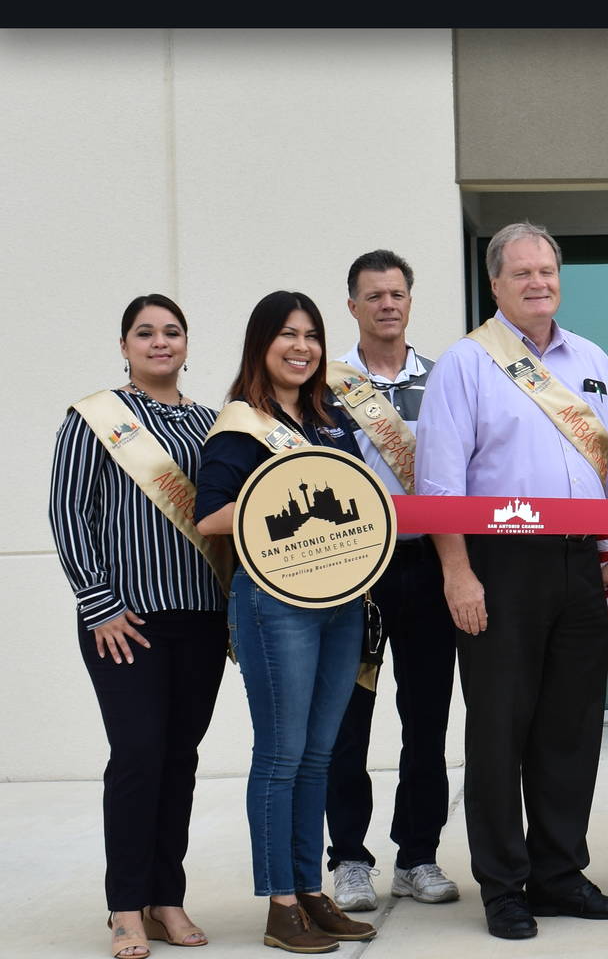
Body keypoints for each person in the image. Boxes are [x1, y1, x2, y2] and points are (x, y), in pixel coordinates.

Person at [417, 223, 608, 940]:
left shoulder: (594, 359)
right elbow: (439, 484)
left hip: (582, 563)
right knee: (500, 729)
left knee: (571, 728)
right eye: (523, 273)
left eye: (548, 269)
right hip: (499, 565)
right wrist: (458, 573)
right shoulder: (466, 363)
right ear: (495, 284)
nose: (539, 282)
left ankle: (559, 873)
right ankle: (504, 884)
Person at [194, 291, 377, 952]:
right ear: (261, 345)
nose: (302, 347)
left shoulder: (331, 419)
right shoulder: (242, 425)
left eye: (312, 336)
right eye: (287, 336)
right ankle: (279, 904)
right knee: (280, 756)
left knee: (318, 756)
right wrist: (276, 492)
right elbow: (209, 514)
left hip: (339, 604)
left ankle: (308, 890)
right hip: (276, 608)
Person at [52, 296, 227, 959]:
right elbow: (69, 514)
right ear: (125, 345)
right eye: (146, 333)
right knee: (138, 755)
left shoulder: (213, 423)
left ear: (187, 343)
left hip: (203, 617)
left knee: (179, 760)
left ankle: (166, 900)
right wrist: (98, 604)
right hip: (125, 619)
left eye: (172, 331)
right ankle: (125, 907)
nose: (160, 342)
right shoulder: (94, 418)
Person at [322, 250, 460, 911]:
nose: (386, 304)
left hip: (429, 566)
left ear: (409, 301)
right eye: (372, 295)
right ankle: (349, 856)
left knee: (426, 715)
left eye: (396, 293)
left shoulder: (445, 379)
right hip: (353, 571)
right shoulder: (323, 386)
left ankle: (419, 854)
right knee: (348, 720)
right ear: (352, 305)